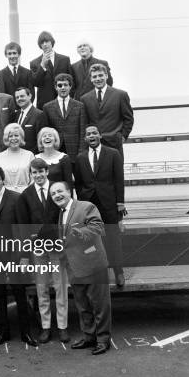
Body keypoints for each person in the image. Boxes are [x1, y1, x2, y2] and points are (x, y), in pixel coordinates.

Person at [50, 181, 111, 355]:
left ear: (70, 192)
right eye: (53, 194)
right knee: (83, 306)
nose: (57, 196)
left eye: (60, 191)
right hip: (74, 267)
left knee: (100, 305)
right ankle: (89, 336)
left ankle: (103, 340)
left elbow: (98, 227)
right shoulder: (61, 213)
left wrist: (81, 232)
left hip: (93, 264)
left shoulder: (86, 207)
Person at [16, 159, 69, 343]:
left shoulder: (57, 188)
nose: (38, 175)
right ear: (31, 174)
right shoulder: (26, 194)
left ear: (47, 171)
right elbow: (23, 226)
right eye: (34, 172)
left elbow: (67, 214)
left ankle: (62, 326)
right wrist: (24, 254)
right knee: (41, 287)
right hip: (38, 249)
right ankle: (46, 326)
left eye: (41, 171)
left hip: (56, 246)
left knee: (60, 286)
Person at [0, 166, 37, 346]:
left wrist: (24, 255)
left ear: (3, 180)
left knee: (19, 293)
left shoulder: (16, 198)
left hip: (14, 253)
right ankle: (4, 332)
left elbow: (23, 229)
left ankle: (26, 333)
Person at [75, 125, 126, 288]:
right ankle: (97, 272)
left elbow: (119, 180)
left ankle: (119, 272)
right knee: (91, 239)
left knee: (113, 239)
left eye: (94, 133)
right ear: (85, 138)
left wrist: (120, 203)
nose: (91, 136)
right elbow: (78, 183)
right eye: (88, 134)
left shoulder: (113, 154)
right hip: (89, 205)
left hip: (109, 203)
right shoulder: (80, 157)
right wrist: (82, 201)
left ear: (100, 135)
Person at [81, 63, 134, 160]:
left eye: (101, 75)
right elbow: (85, 122)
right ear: (91, 79)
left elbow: (128, 118)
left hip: (114, 142)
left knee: (116, 173)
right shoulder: (85, 98)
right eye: (95, 76)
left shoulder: (121, 95)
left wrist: (122, 137)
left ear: (106, 76)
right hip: (94, 144)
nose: (98, 79)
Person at [42, 73, 87, 165]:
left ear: (70, 86)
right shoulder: (47, 107)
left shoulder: (79, 106)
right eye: (60, 85)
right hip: (55, 149)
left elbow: (83, 130)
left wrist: (81, 151)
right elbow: (46, 131)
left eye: (66, 85)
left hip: (75, 150)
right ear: (55, 87)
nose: (63, 88)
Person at [29, 31, 73, 109]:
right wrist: (42, 66)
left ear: (52, 42)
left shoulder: (64, 59)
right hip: (44, 102)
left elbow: (71, 81)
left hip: (64, 100)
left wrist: (71, 98)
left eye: (47, 41)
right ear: (40, 45)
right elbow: (35, 82)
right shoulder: (34, 63)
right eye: (42, 42)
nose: (45, 44)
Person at [0, 123, 35, 193]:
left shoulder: (29, 155)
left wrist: (27, 193)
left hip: (26, 195)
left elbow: (34, 178)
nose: (13, 138)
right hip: (5, 195)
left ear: (21, 137)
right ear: (6, 138)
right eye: (10, 136)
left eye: (16, 135)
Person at [13, 86, 46, 154]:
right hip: (17, 155)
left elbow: (41, 139)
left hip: (32, 156)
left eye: (22, 96)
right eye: (17, 97)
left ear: (30, 96)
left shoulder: (39, 114)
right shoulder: (16, 114)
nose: (19, 99)